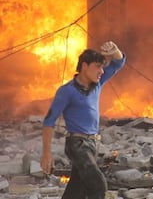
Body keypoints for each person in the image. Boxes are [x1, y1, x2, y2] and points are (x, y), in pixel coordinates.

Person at [40, 41, 126, 199]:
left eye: (102, 67)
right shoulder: (67, 91)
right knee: (98, 184)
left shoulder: (97, 83)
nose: (101, 71)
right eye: (97, 66)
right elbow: (49, 121)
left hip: (92, 144)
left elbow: (119, 62)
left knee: (76, 190)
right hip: (77, 144)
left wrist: (116, 50)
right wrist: (46, 153)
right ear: (84, 66)